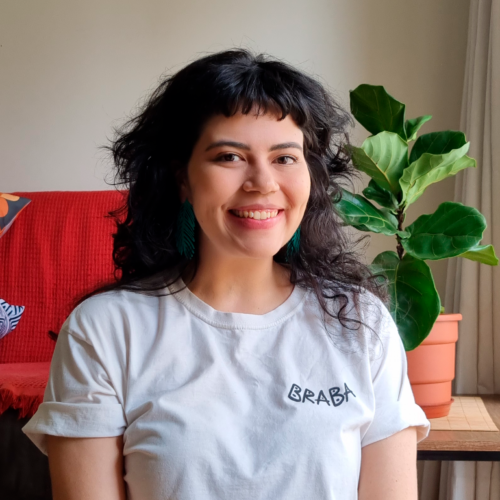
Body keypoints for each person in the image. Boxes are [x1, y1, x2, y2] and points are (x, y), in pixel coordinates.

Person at [22, 48, 430, 500]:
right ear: (181, 177)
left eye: (285, 158)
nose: (262, 182)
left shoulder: (360, 322)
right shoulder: (104, 331)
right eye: (230, 156)